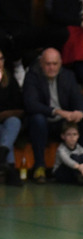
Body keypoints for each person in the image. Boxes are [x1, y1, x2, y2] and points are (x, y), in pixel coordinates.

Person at [22, 48, 83, 184]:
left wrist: (79, 112)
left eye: (55, 64)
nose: (52, 67)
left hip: (64, 122)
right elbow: (31, 104)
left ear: (60, 63)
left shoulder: (68, 76)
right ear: (41, 63)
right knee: (37, 119)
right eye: (48, 64)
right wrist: (57, 111)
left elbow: (79, 100)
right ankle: (39, 167)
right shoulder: (32, 76)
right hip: (44, 121)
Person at [0, 48, 23, 186]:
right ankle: (10, 168)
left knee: (14, 122)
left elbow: (20, 109)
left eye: (1, 59)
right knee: (3, 131)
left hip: (7, 120)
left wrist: (6, 114)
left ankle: (2, 155)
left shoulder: (10, 79)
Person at [52, 121, 83, 185]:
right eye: (69, 134)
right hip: (61, 172)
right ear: (63, 136)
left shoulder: (79, 147)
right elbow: (68, 161)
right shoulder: (61, 149)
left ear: (78, 136)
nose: (72, 137)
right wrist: (81, 169)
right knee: (74, 157)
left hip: (77, 169)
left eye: (74, 134)